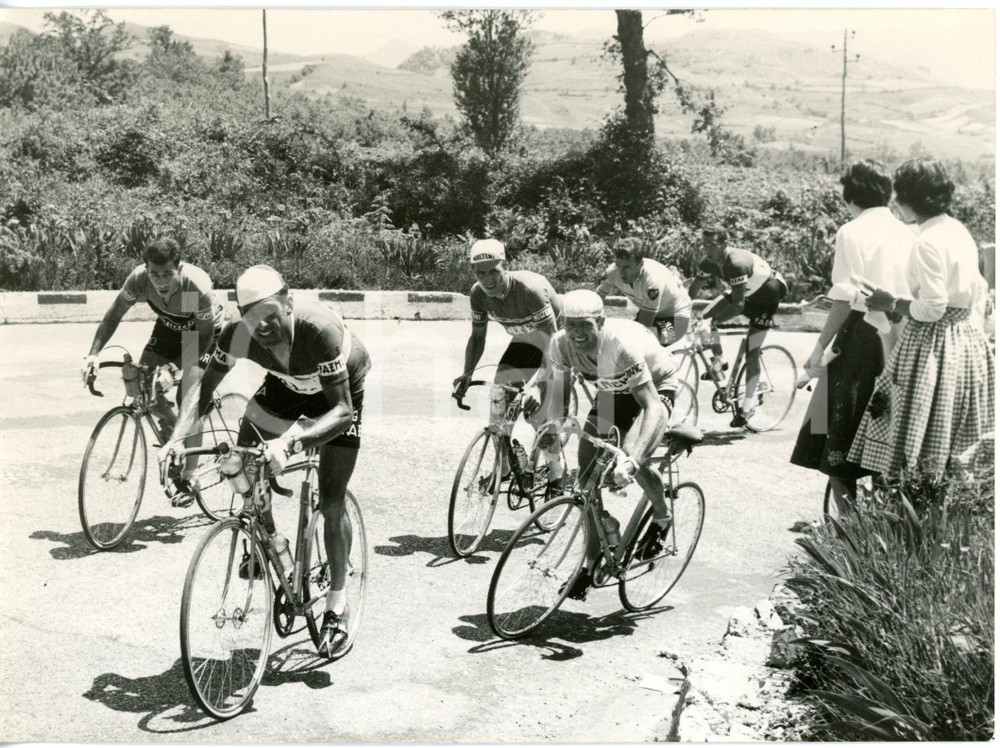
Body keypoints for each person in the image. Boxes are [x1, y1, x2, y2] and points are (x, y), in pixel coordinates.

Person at [162, 265, 371, 657]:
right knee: (245, 454)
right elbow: (202, 390)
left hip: (338, 397)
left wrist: (291, 443)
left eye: (270, 313)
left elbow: (342, 412)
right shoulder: (236, 334)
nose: (261, 325)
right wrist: (176, 439)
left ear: (287, 301)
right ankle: (271, 540)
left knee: (331, 501)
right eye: (251, 316)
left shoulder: (319, 331)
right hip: (286, 386)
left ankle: (337, 605)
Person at [524, 289, 675, 600]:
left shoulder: (621, 345)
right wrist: (553, 430)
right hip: (612, 391)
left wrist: (632, 461)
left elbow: (653, 407)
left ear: (601, 322)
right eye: (571, 325)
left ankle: (662, 516)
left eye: (586, 325)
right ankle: (591, 564)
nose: (577, 333)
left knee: (632, 455)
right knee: (586, 479)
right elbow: (560, 397)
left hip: (655, 386)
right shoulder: (560, 344)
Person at [848, 158, 994, 481]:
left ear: (910, 198)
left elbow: (933, 307)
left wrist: (891, 302)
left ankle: (915, 491)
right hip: (966, 337)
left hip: (934, 341)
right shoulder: (957, 230)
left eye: (899, 195)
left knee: (917, 419)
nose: (896, 202)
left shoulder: (926, 242)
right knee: (952, 424)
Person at [790, 160, 915, 506]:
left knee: (839, 437)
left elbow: (844, 299)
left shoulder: (851, 231)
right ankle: (887, 518)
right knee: (886, 429)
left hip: (862, 337)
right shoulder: (909, 231)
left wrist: (819, 349)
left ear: (851, 196)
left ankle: (849, 524)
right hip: (903, 335)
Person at [81, 237, 226, 505]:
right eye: (154, 274)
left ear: (179, 268)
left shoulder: (194, 286)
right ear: (146, 269)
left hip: (202, 334)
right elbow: (114, 314)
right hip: (169, 326)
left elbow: (203, 335)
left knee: (188, 398)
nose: (160, 281)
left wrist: (173, 367)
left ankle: (190, 477)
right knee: (142, 385)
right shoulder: (139, 280)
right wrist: (93, 355)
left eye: (167, 274)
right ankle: (175, 433)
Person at [452, 238, 564, 489]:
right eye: (481, 273)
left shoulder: (531, 290)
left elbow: (553, 344)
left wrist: (538, 385)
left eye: (494, 271)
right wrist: (467, 374)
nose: (488, 280)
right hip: (525, 341)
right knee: (499, 396)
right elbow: (477, 337)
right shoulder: (478, 294)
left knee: (539, 414)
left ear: (506, 266)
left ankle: (557, 472)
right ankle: (503, 467)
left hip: (557, 343)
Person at [687, 226, 788, 427]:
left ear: (725, 244)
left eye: (712, 245)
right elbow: (692, 292)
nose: (707, 249)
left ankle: (747, 408)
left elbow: (738, 306)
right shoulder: (707, 263)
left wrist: (713, 321)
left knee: (752, 351)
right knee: (703, 317)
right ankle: (720, 359)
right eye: (704, 244)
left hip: (768, 298)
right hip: (746, 293)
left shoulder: (736, 263)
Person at [596, 237, 693, 346]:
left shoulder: (653, 281)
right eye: (618, 265)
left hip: (676, 317)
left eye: (627, 267)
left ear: (640, 264)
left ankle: (689, 342)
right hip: (653, 313)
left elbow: (643, 328)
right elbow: (595, 302)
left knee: (642, 343)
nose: (621, 272)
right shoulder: (612, 272)